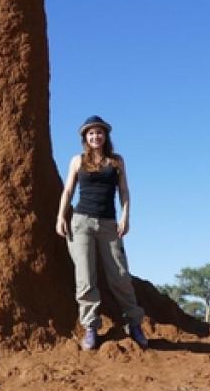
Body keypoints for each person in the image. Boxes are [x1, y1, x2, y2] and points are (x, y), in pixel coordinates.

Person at [56, 115, 149, 350]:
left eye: (99, 132)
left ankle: (134, 323)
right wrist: (60, 216)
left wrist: (126, 216)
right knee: (85, 277)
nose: (95, 136)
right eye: (91, 133)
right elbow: (68, 191)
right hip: (82, 222)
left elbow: (124, 191)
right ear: (85, 138)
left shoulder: (116, 161)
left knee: (120, 275)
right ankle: (90, 327)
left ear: (106, 136)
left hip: (109, 224)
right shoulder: (78, 161)